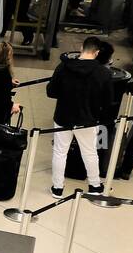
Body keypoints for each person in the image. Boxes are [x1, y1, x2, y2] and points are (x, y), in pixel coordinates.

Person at [47, 36, 113, 196]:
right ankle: (95, 186)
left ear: (82, 47)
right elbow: (108, 101)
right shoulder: (103, 73)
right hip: (88, 120)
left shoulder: (63, 67)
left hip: (63, 116)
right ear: (97, 52)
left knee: (60, 152)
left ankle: (57, 188)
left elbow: (51, 92)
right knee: (90, 152)